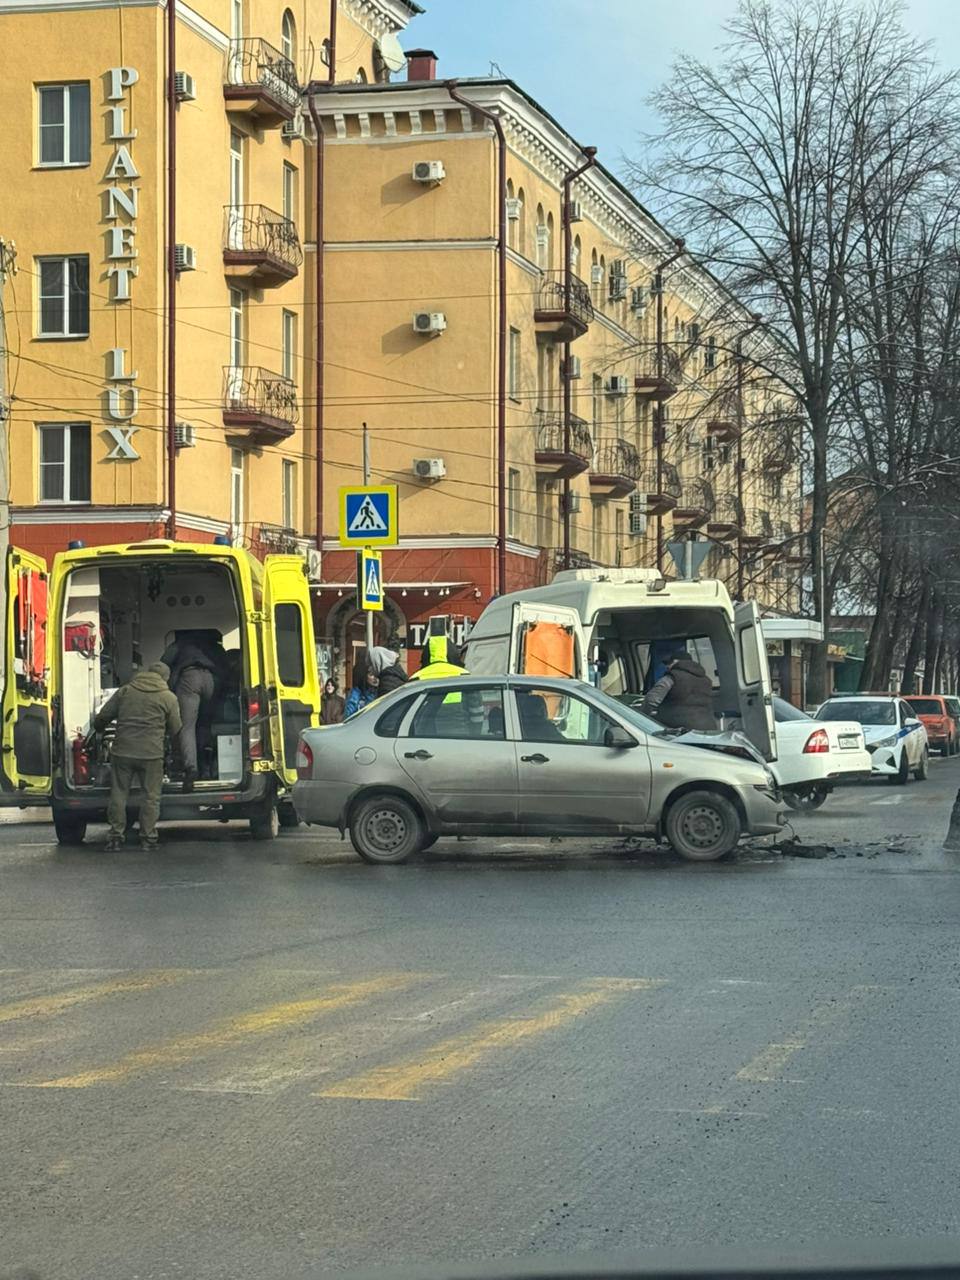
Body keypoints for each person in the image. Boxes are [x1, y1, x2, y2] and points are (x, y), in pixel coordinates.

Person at [94, 661, 182, 851]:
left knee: (119, 793)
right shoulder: (169, 697)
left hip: (123, 751)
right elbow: (176, 728)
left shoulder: (125, 691)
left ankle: (116, 837)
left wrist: (98, 728)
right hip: (151, 754)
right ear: (165, 678)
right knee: (150, 797)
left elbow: (103, 716)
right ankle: (148, 839)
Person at [162, 633, 221, 791]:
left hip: (190, 678)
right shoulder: (216, 646)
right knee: (205, 725)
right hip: (212, 679)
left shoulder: (180, 644)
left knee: (187, 727)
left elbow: (163, 663)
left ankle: (191, 769)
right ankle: (207, 769)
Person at [639, 646, 716, 731]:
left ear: (675, 661)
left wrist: (640, 719)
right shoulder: (706, 680)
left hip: (678, 730)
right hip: (707, 728)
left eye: (669, 663)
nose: (667, 666)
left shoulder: (672, 677)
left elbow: (651, 700)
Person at [344, 649, 380, 718]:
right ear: (365, 676)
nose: (375, 678)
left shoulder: (382, 691)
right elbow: (349, 715)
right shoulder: (357, 694)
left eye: (377, 674)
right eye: (371, 674)